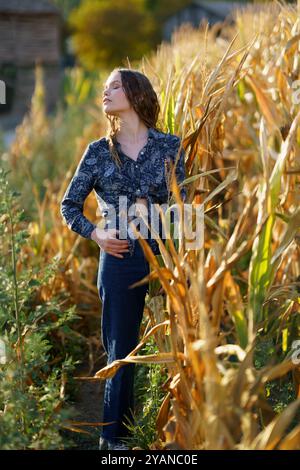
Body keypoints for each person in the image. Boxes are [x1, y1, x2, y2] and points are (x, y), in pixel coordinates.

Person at [60, 67, 187, 451]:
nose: (106, 92)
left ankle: (179, 428)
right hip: (119, 260)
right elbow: (69, 207)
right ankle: (114, 443)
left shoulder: (170, 146)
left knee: (181, 343)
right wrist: (97, 234)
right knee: (124, 353)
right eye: (104, 88)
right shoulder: (98, 152)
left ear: (136, 93)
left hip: (166, 257)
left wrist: (158, 210)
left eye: (114, 86)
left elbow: (184, 207)